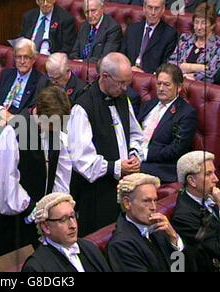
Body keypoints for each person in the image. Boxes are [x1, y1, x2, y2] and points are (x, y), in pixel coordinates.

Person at [67, 52, 144, 237]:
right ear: (105, 76)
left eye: (128, 82)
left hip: (124, 186)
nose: (125, 88)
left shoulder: (123, 99)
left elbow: (135, 133)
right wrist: (116, 167)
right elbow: (81, 160)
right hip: (96, 193)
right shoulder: (83, 107)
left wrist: (134, 154)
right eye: (121, 83)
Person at [0, 86, 72, 258]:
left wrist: (55, 202)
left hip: (45, 217)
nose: (54, 129)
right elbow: (6, 181)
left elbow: (61, 170)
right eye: (51, 125)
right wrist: (32, 209)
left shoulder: (55, 129)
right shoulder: (14, 132)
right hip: (17, 221)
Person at [107, 173, 184, 272]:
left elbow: (179, 269)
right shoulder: (120, 245)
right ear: (127, 203)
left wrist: (174, 239)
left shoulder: (160, 229)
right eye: (146, 201)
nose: (153, 207)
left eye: (155, 200)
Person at [137, 64, 197, 183]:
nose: (161, 88)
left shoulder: (187, 113)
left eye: (167, 84)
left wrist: (144, 154)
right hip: (134, 156)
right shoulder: (148, 105)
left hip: (160, 165)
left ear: (179, 87)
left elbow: (176, 149)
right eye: (159, 84)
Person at [22, 192, 111, 272]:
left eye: (72, 217)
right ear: (46, 227)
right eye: (63, 220)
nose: (73, 226)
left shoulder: (89, 247)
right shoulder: (35, 268)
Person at [168, 3, 220, 83]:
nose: (198, 27)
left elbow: (213, 74)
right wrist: (201, 67)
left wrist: (186, 69)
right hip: (178, 82)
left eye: (203, 23)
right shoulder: (185, 38)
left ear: (212, 25)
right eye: (196, 22)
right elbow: (172, 63)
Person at [0, 38, 42, 122]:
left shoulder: (40, 81)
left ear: (33, 59)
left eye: (26, 57)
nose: (22, 61)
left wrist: (13, 120)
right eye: (19, 57)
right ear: (14, 58)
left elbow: (33, 111)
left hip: (20, 126)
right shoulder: (7, 75)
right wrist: (1, 111)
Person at [121, 0, 178, 74]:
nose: (153, 12)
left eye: (157, 8)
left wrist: (144, 73)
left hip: (151, 78)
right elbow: (122, 56)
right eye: (150, 7)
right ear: (144, 8)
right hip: (128, 74)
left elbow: (165, 66)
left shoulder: (170, 34)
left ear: (163, 9)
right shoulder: (132, 29)